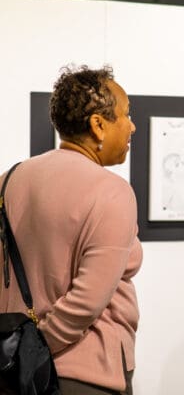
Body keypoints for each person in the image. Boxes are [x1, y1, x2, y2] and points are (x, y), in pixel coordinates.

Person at [0, 65, 142, 395]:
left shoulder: (8, 180)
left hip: (12, 372)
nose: (132, 125)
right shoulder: (111, 191)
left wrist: (22, 352)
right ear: (98, 125)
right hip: (81, 374)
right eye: (126, 114)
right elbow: (87, 301)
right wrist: (36, 347)